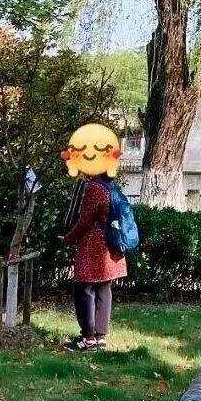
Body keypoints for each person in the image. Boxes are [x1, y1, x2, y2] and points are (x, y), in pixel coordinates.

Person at [60, 122, 127, 351]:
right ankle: (100, 336)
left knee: (84, 289)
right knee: (103, 289)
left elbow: (85, 220)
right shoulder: (110, 185)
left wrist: (68, 238)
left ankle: (88, 337)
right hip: (110, 245)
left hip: (95, 247)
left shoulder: (94, 188)